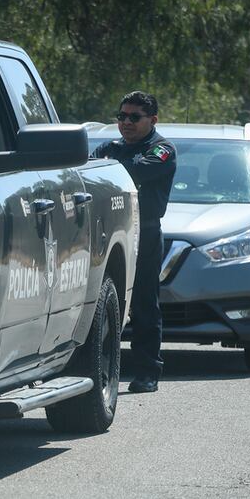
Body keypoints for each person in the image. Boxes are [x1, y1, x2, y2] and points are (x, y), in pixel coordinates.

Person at [91, 91, 176, 393]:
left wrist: (108, 167)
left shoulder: (162, 149)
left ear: (152, 120)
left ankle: (147, 371)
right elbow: (89, 174)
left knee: (142, 303)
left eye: (134, 117)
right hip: (109, 232)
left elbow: (135, 170)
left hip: (144, 232)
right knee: (102, 300)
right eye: (122, 116)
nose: (126, 122)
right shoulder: (108, 147)